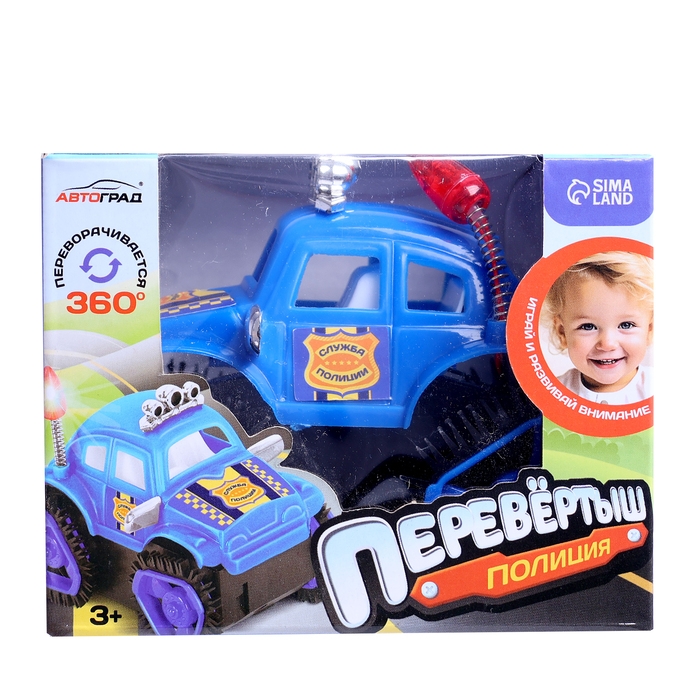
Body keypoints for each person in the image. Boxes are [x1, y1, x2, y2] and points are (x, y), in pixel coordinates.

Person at [542, 252, 653, 404]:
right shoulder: (552, 393)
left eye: (626, 325)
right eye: (588, 326)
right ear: (562, 332)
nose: (607, 344)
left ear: (649, 329)